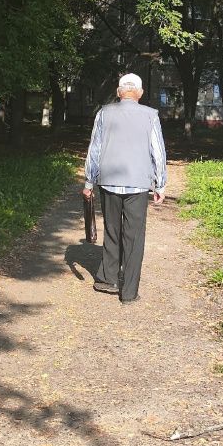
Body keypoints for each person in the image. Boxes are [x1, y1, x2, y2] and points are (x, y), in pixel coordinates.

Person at [82, 73, 167, 304]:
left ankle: (108, 278)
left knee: (112, 230)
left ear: (119, 92)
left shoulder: (104, 113)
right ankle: (129, 293)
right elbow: (158, 152)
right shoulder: (151, 116)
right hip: (138, 184)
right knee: (134, 237)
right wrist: (160, 184)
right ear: (139, 93)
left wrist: (89, 182)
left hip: (108, 182)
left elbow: (95, 150)